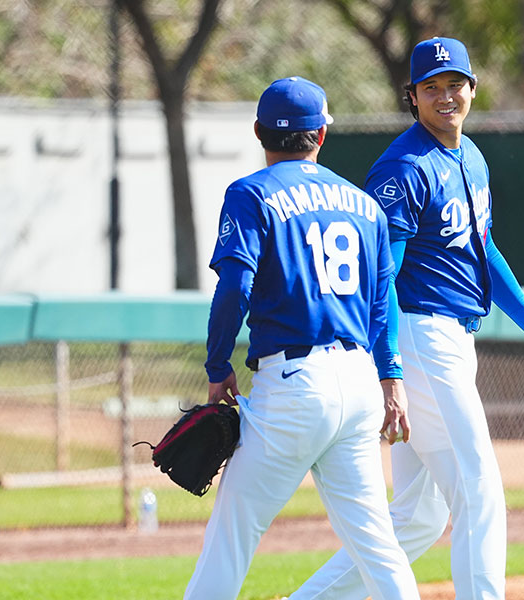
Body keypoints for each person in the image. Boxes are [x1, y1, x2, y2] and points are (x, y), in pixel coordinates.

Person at [287, 38, 524, 600]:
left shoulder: (471, 157)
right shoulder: (404, 166)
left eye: (454, 84)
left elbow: (482, 250)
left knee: (417, 515)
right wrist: (388, 367)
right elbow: (379, 277)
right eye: (431, 87)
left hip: (452, 338)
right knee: (479, 486)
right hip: (419, 335)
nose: (445, 96)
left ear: (472, 89)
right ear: (411, 97)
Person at [183, 76, 420, 600]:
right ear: (321, 134)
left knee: (232, 536)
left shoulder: (251, 193)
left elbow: (235, 287)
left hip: (292, 387)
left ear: (257, 132)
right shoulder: (365, 205)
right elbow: (383, 307)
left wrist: (218, 365)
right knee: (377, 544)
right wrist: (391, 375)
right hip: (359, 383)